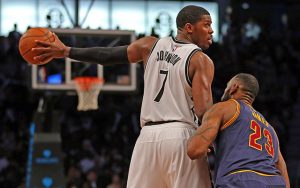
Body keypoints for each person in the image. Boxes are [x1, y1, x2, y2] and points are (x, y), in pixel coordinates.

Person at [33, 5, 214, 188]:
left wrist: (67, 51)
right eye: (207, 25)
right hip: (181, 135)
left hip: (147, 139)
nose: (211, 30)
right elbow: (203, 111)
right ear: (189, 27)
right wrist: (211, 140)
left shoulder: (149, 45)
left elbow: (106, 55)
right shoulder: (200, 60)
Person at [187, 73, 290, 188]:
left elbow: (194, 150)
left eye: (227, 86)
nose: (225, 89)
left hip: (240, 178)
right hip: (274, 182)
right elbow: (282, 167)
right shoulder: (270, 129)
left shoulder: (225, 107)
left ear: (234, 87)